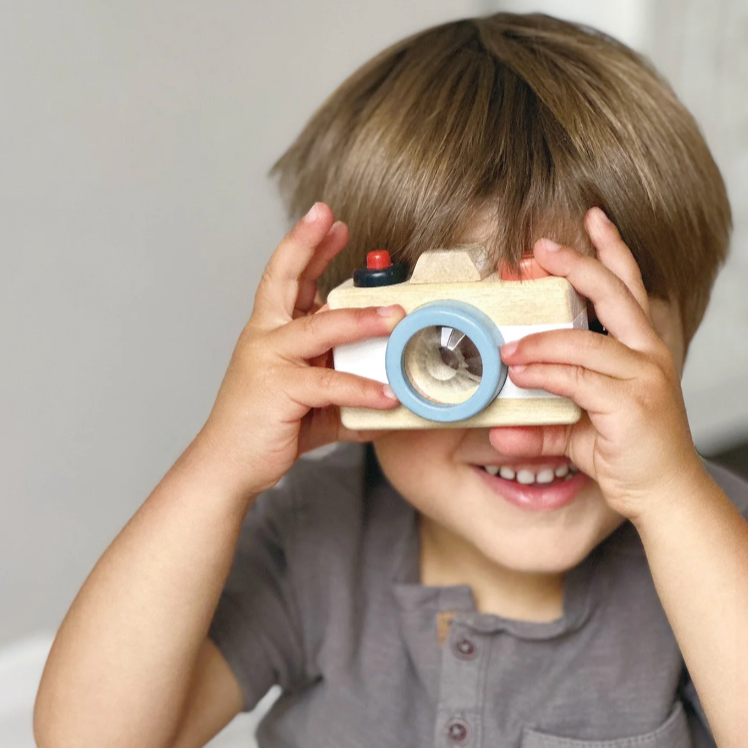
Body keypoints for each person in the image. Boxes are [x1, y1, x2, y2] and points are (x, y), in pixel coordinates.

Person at [34, 12, 748, 748]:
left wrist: (670, 499)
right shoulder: (319, 538)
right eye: (454, 354)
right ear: (349, 341)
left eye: (591, 339)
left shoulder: (709, 541)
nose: (524, 428)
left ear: (680, 339)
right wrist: (219, 468)